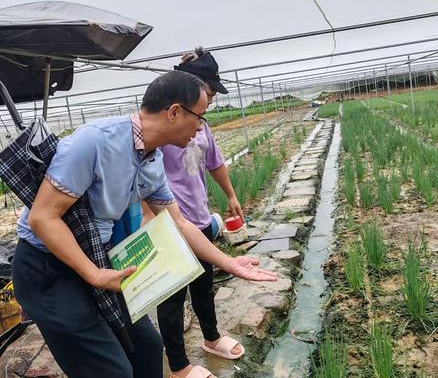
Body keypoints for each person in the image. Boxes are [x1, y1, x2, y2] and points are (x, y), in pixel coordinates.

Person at [11, 70, 276, 378]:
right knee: (112, 371)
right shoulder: (95, 141)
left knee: (148, 348)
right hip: (48, 269)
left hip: (96, 261)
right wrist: (95, 275)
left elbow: (178, 222)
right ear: (175, 112)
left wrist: (229, 263)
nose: (201, 127)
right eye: (200, 117)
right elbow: (43, 218)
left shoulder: (152, 160)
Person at [149, 48, 243, 378]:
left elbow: (214, 162)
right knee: (172, 298)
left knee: (204, 285)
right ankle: (178, 366)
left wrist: (230, 195)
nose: (212, 100)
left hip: (199, 218)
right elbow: (143, 176)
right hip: (169, 222)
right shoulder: (163, 124)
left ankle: (211, 338)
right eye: (210, 92)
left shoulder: (202, 127)